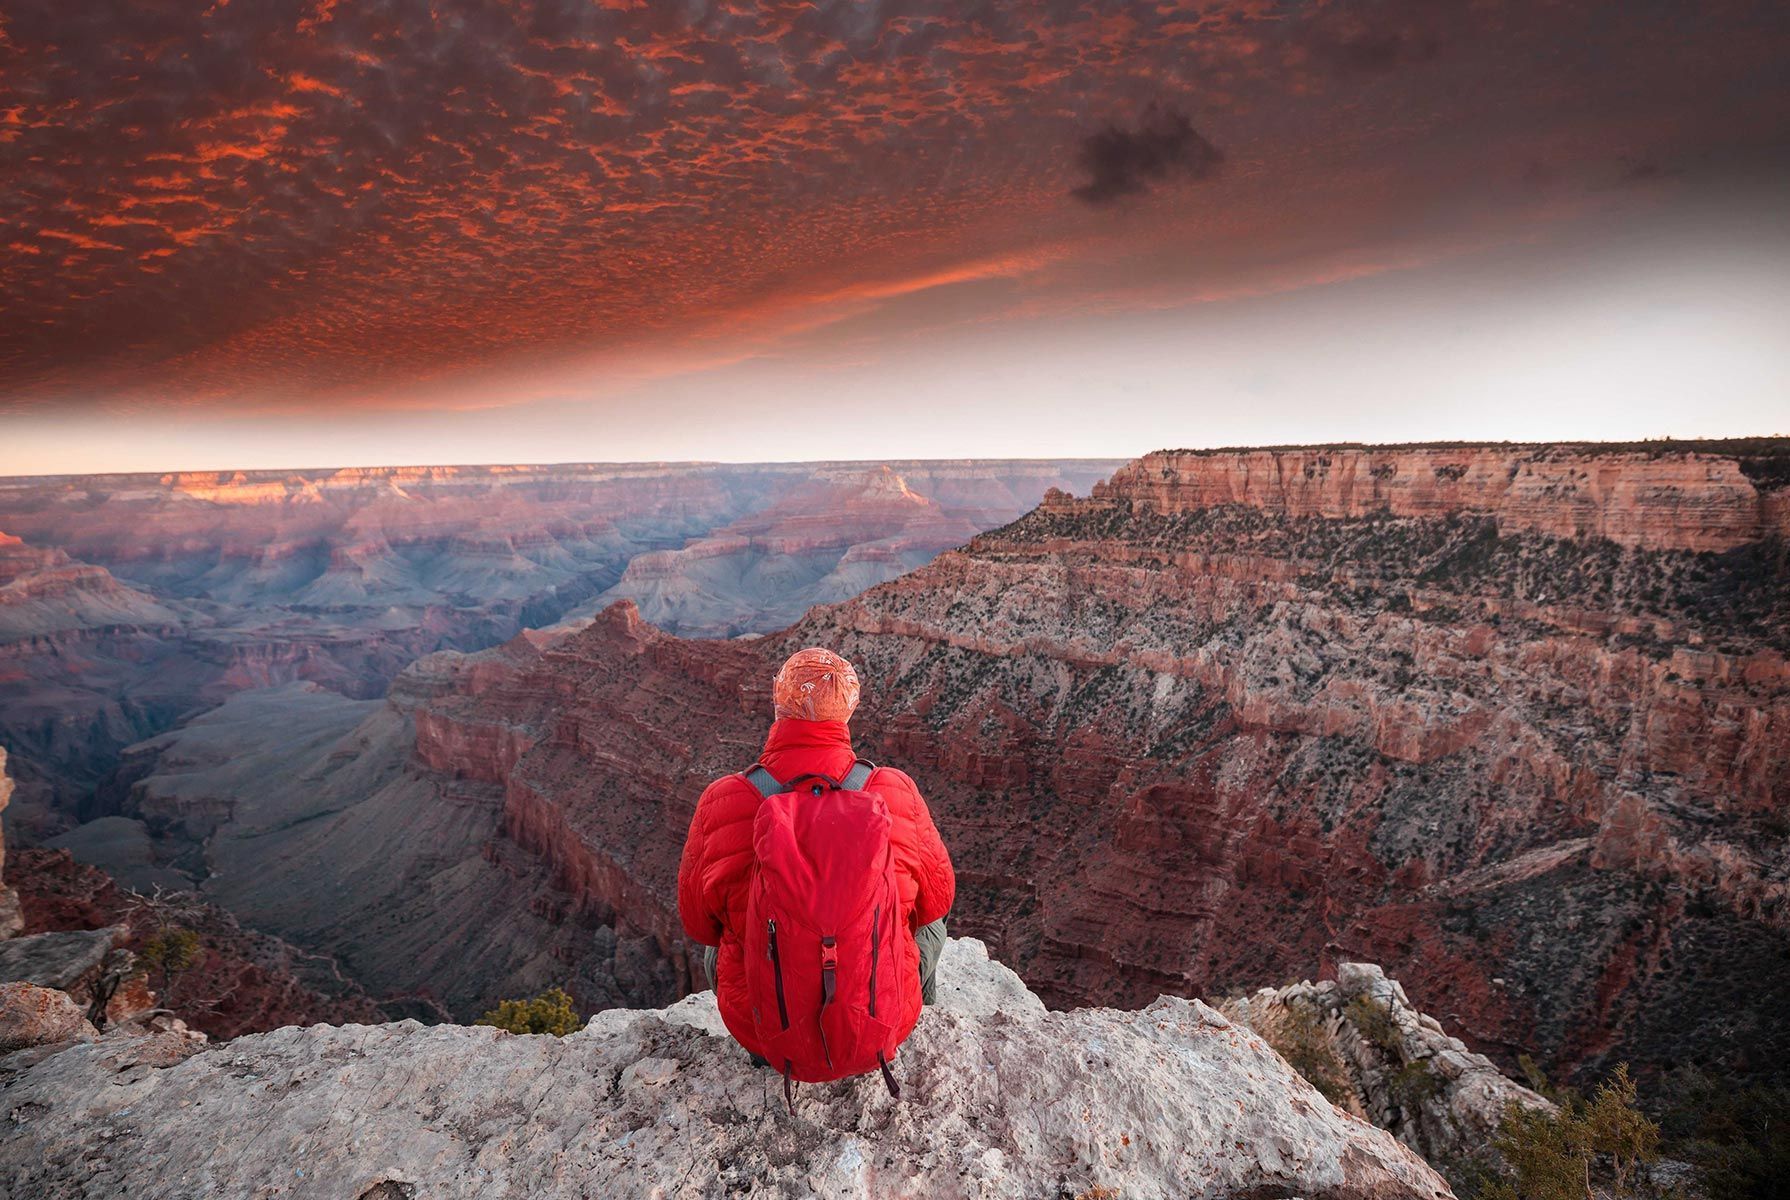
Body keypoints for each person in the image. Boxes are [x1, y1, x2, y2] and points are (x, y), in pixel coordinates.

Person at [676, 646, 954, 1075]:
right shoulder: (893, 789)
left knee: (722, 943)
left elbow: (698, 924)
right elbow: (938, 901)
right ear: (848, 709)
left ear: (778, 706)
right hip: (878, 1025)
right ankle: (895, 1030)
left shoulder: (723, 800)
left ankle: (772, 1043)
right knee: (930, 921)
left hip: (769, 1034)